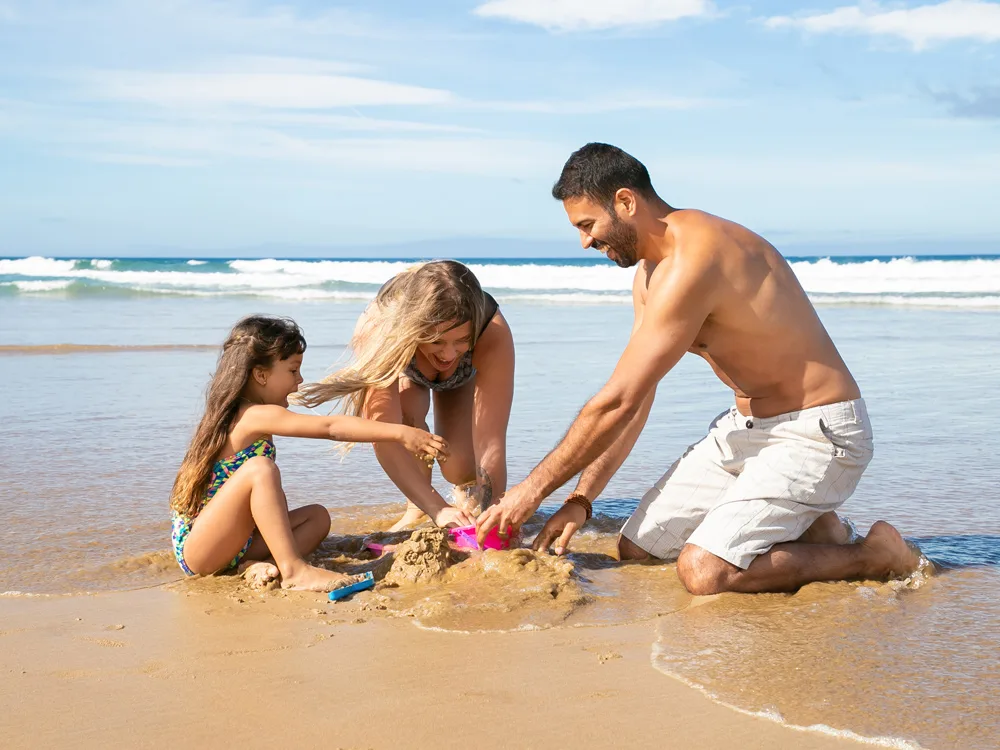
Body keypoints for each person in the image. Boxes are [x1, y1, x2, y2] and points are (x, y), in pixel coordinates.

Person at [477, 143, 920, 594]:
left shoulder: (698, 257)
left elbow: (615, 401)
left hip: (818, 433)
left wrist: (529, 493)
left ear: (626, 202)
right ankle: (815, 528)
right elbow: (636, 397)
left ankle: (876, 554)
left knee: (704, 571)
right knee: (639, 548)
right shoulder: (649, 276)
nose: (585, 241)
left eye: (588, 225)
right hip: (749, 430)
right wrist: (579, 500)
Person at [170, 314, 448, 592]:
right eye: (292, 370)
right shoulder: (252, 416)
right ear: (261, 374)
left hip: (236, 544)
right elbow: (330, 427)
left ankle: (257, 564)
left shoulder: (249, 414)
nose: (300, 380)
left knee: (317, 518)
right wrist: (400, 432)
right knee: (260, 469)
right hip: (201, 549)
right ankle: (294, 571)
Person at [298, 260, 514, 531]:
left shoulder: (490, 329)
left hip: (461, 378)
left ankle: (466, 501)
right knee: (408, 420)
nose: (448, 355)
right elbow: (384, 435)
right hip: (404, 366)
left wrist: (490, 517)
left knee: (458, 467)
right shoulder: (381, 328)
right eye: (436, 340)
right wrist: (437, 508)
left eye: (461, 341)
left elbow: (492, 442)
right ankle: (417, 510)